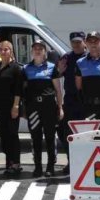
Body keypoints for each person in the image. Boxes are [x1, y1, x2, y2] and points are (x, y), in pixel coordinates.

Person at [23, 39, 63, 178]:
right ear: (32, 51)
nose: (38, 50)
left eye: (41, 48)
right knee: (36, 138)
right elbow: (23, 90)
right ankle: (38, 167)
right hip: (33, 108)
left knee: (50, 137)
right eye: (35, 48)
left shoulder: (52, 67)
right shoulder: (26, 68)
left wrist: (60, 107)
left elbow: (58, 90)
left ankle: (50, 166)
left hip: (49, 107)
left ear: (45, 51)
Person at [0, 41, 24, 176]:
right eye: (1, 50)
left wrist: (15, 106)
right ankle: (9, 162)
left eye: (6, 49)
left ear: (11, 51)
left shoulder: (16, 68)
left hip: (11, 108)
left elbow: (18, 89)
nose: (3, 52)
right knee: (3, 136)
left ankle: (15, 164)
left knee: (12, 135)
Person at [56, 31, 87, 173]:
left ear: (84, 41)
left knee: (85, 134)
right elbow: (56, 75)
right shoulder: (66, 57)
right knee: (65, 132)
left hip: (86, 100)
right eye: (73, 42)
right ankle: (72, 161)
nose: (76, 45)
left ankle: (86, 163)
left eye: (79, 42)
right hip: (70, 100)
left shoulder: (90, 57)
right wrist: (59, 70)